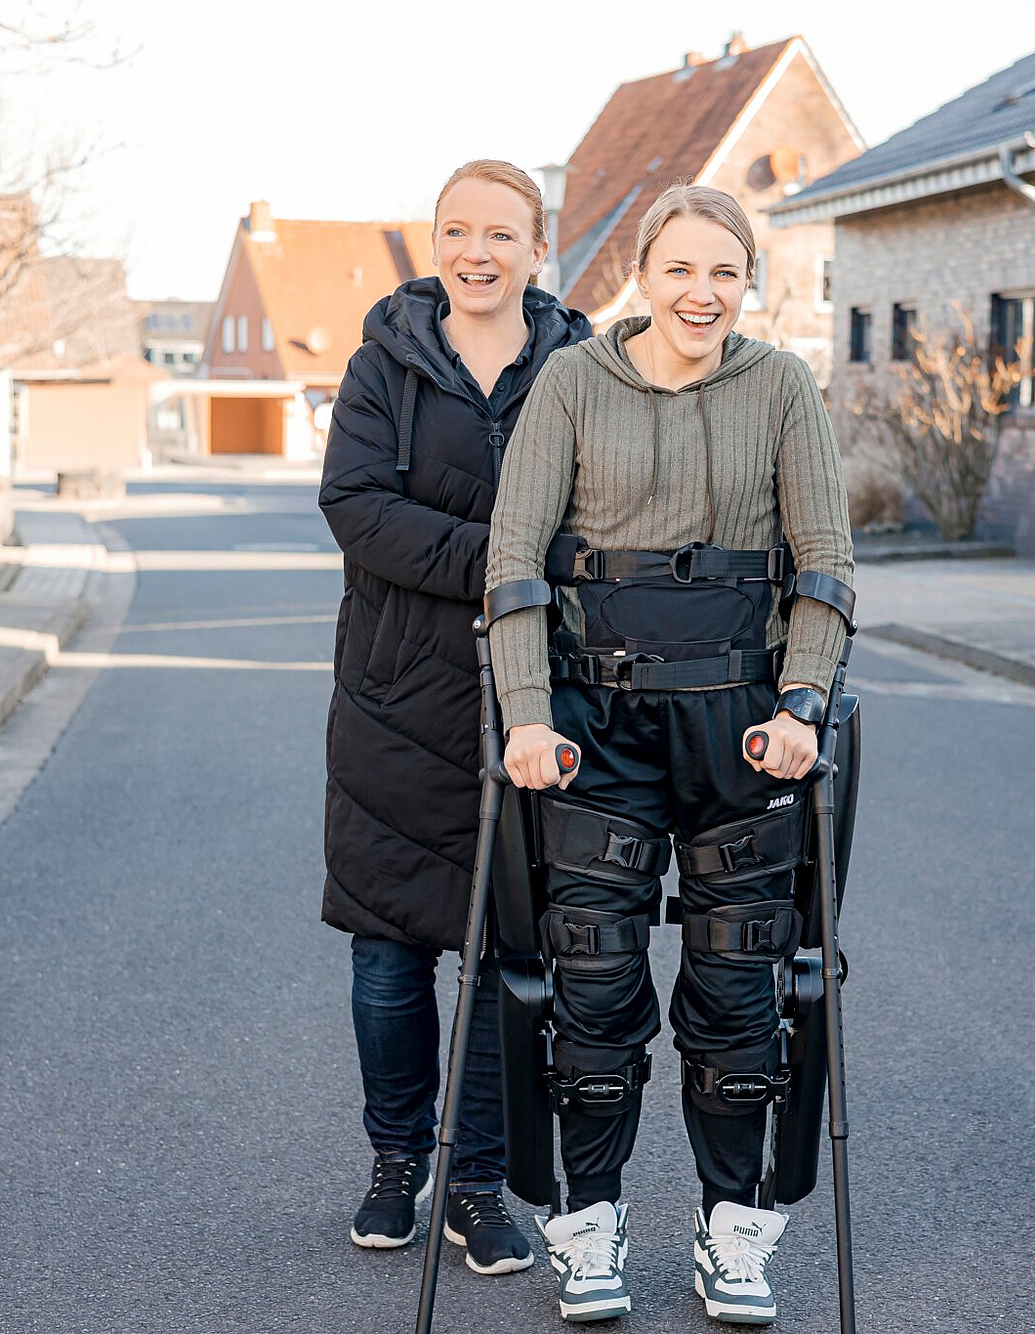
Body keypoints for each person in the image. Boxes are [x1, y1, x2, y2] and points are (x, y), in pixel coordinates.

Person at [483, 183, 855, 1325]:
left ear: (748, 284)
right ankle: (587, 1222)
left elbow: (825, 561)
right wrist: (527, 715)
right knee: (592, 984)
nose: (702, 293)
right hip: (596, 727)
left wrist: (802, 703)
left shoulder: (782, 385)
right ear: (641, 274)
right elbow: (513, 559)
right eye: (680, 269)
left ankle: (732, 1230)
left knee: (740, 990)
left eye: (724, 273)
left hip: (741, 726)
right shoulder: (571, 381)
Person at [319, 160, 592, 1276]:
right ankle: (398, 1163)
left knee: (501, 953)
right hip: (392, 695)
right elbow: (356, 508)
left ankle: (475, 1182)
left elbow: (604, 510)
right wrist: (508, 557)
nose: (476, 252)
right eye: (456, 231)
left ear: (537, 247)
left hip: (534, 693)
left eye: (500, 233)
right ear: (434, 242)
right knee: (388, 953)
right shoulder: (382, 361)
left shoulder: (579, 365)